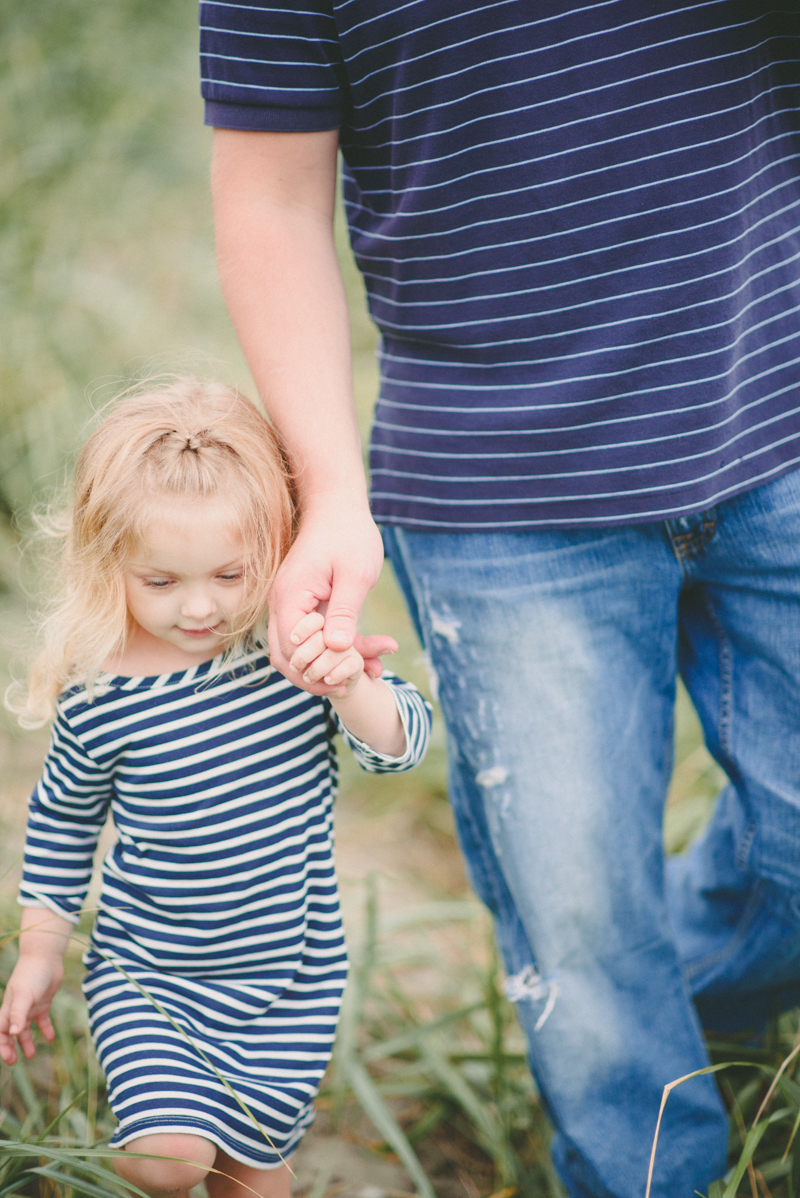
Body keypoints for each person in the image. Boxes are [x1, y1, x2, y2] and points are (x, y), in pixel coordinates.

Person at [200, 4, 800, 1194]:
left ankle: (665, 997)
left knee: (643, 939)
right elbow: (268, 194)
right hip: (496, 502)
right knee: (579, 926)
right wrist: (327, 490)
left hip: (776, 414)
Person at [0, 379, 431, 1198]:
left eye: (230, 575)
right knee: (164, 1161)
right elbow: (63, 821)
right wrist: (42, 945)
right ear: (106, 560)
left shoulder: (291, 660)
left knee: (252, 1177)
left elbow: (401, 745)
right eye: (160, 582)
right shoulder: (101, 695)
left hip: (287, 978)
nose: (199, 607)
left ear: (275, 550)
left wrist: (352, 689)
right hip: (152, 975)